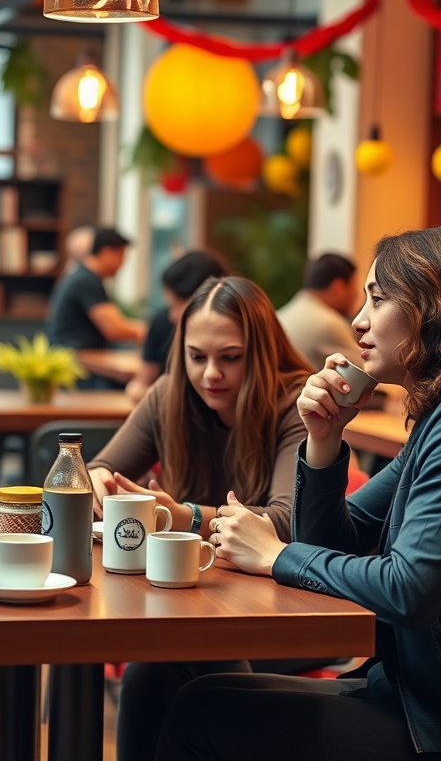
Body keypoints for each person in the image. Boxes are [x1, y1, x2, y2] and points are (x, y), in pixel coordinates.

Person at [157, 227, 441, 761]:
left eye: (378, 299)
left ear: (440, 308)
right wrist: (323, 440)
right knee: (183, 686)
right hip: (430, 700)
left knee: (199, 710)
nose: (358, 319)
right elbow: (342, 538)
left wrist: (276, 555)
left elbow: (410, 590)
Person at [86, 276, 312, 761]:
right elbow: (98, 467)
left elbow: (285, 523)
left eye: (230, 357)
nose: (210, 373)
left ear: (263, 350)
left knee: (170, 672)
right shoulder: (168, 395)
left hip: (277, 612)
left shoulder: (296, 405)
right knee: (157, 670)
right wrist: (100, 484)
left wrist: (186, 517)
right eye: (196, 356)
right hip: (190, 606)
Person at [125, 250, 227, 403]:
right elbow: (141, 383)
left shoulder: (238, 327)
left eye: (230, 357)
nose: (172, 315)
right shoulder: (162, 322)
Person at [47, 226, 147, 353]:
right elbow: (114, 329)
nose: (122, 264)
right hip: (75, 361)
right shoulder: (86, 280)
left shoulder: (80, 275)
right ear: (107, 253)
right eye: (121, 256)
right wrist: (147, 330)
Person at [277, 252, 363, 370]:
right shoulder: (328, 323)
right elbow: (368, 371)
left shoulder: (282, 315)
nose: (357, 295)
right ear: (338, 287)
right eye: (355, 287)